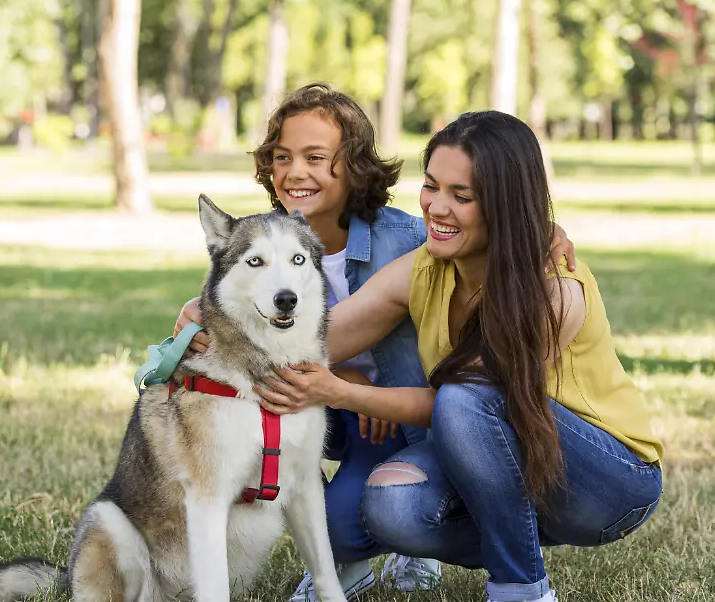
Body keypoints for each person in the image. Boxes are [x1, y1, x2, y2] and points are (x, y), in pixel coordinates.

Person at [236, 110, 662, 602]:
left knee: (465, 397)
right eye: (431, 186)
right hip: (510, 468)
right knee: (389, 506)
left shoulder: (554, 290)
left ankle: (521, 589)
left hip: (608, 480)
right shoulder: (425, 268)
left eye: (461, 196)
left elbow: (470, 404)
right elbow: (316, 339)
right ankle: (508, 539)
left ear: (504, 203)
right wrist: (207, 323)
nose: (436, 207)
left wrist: (342, 392)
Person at [174, 83, 577, 600]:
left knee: (359, 518)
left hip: (398, 418)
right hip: (331, 404)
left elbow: (485, 225)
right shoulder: (269, 240)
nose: (297, 171)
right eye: (283, 157)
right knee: (257, 430)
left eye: (317, 158)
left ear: (357, 165)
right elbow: (244, 319)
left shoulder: (409, 240)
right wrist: (196, 320)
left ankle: (415, 534)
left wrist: (547, 230)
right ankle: (346, 562)